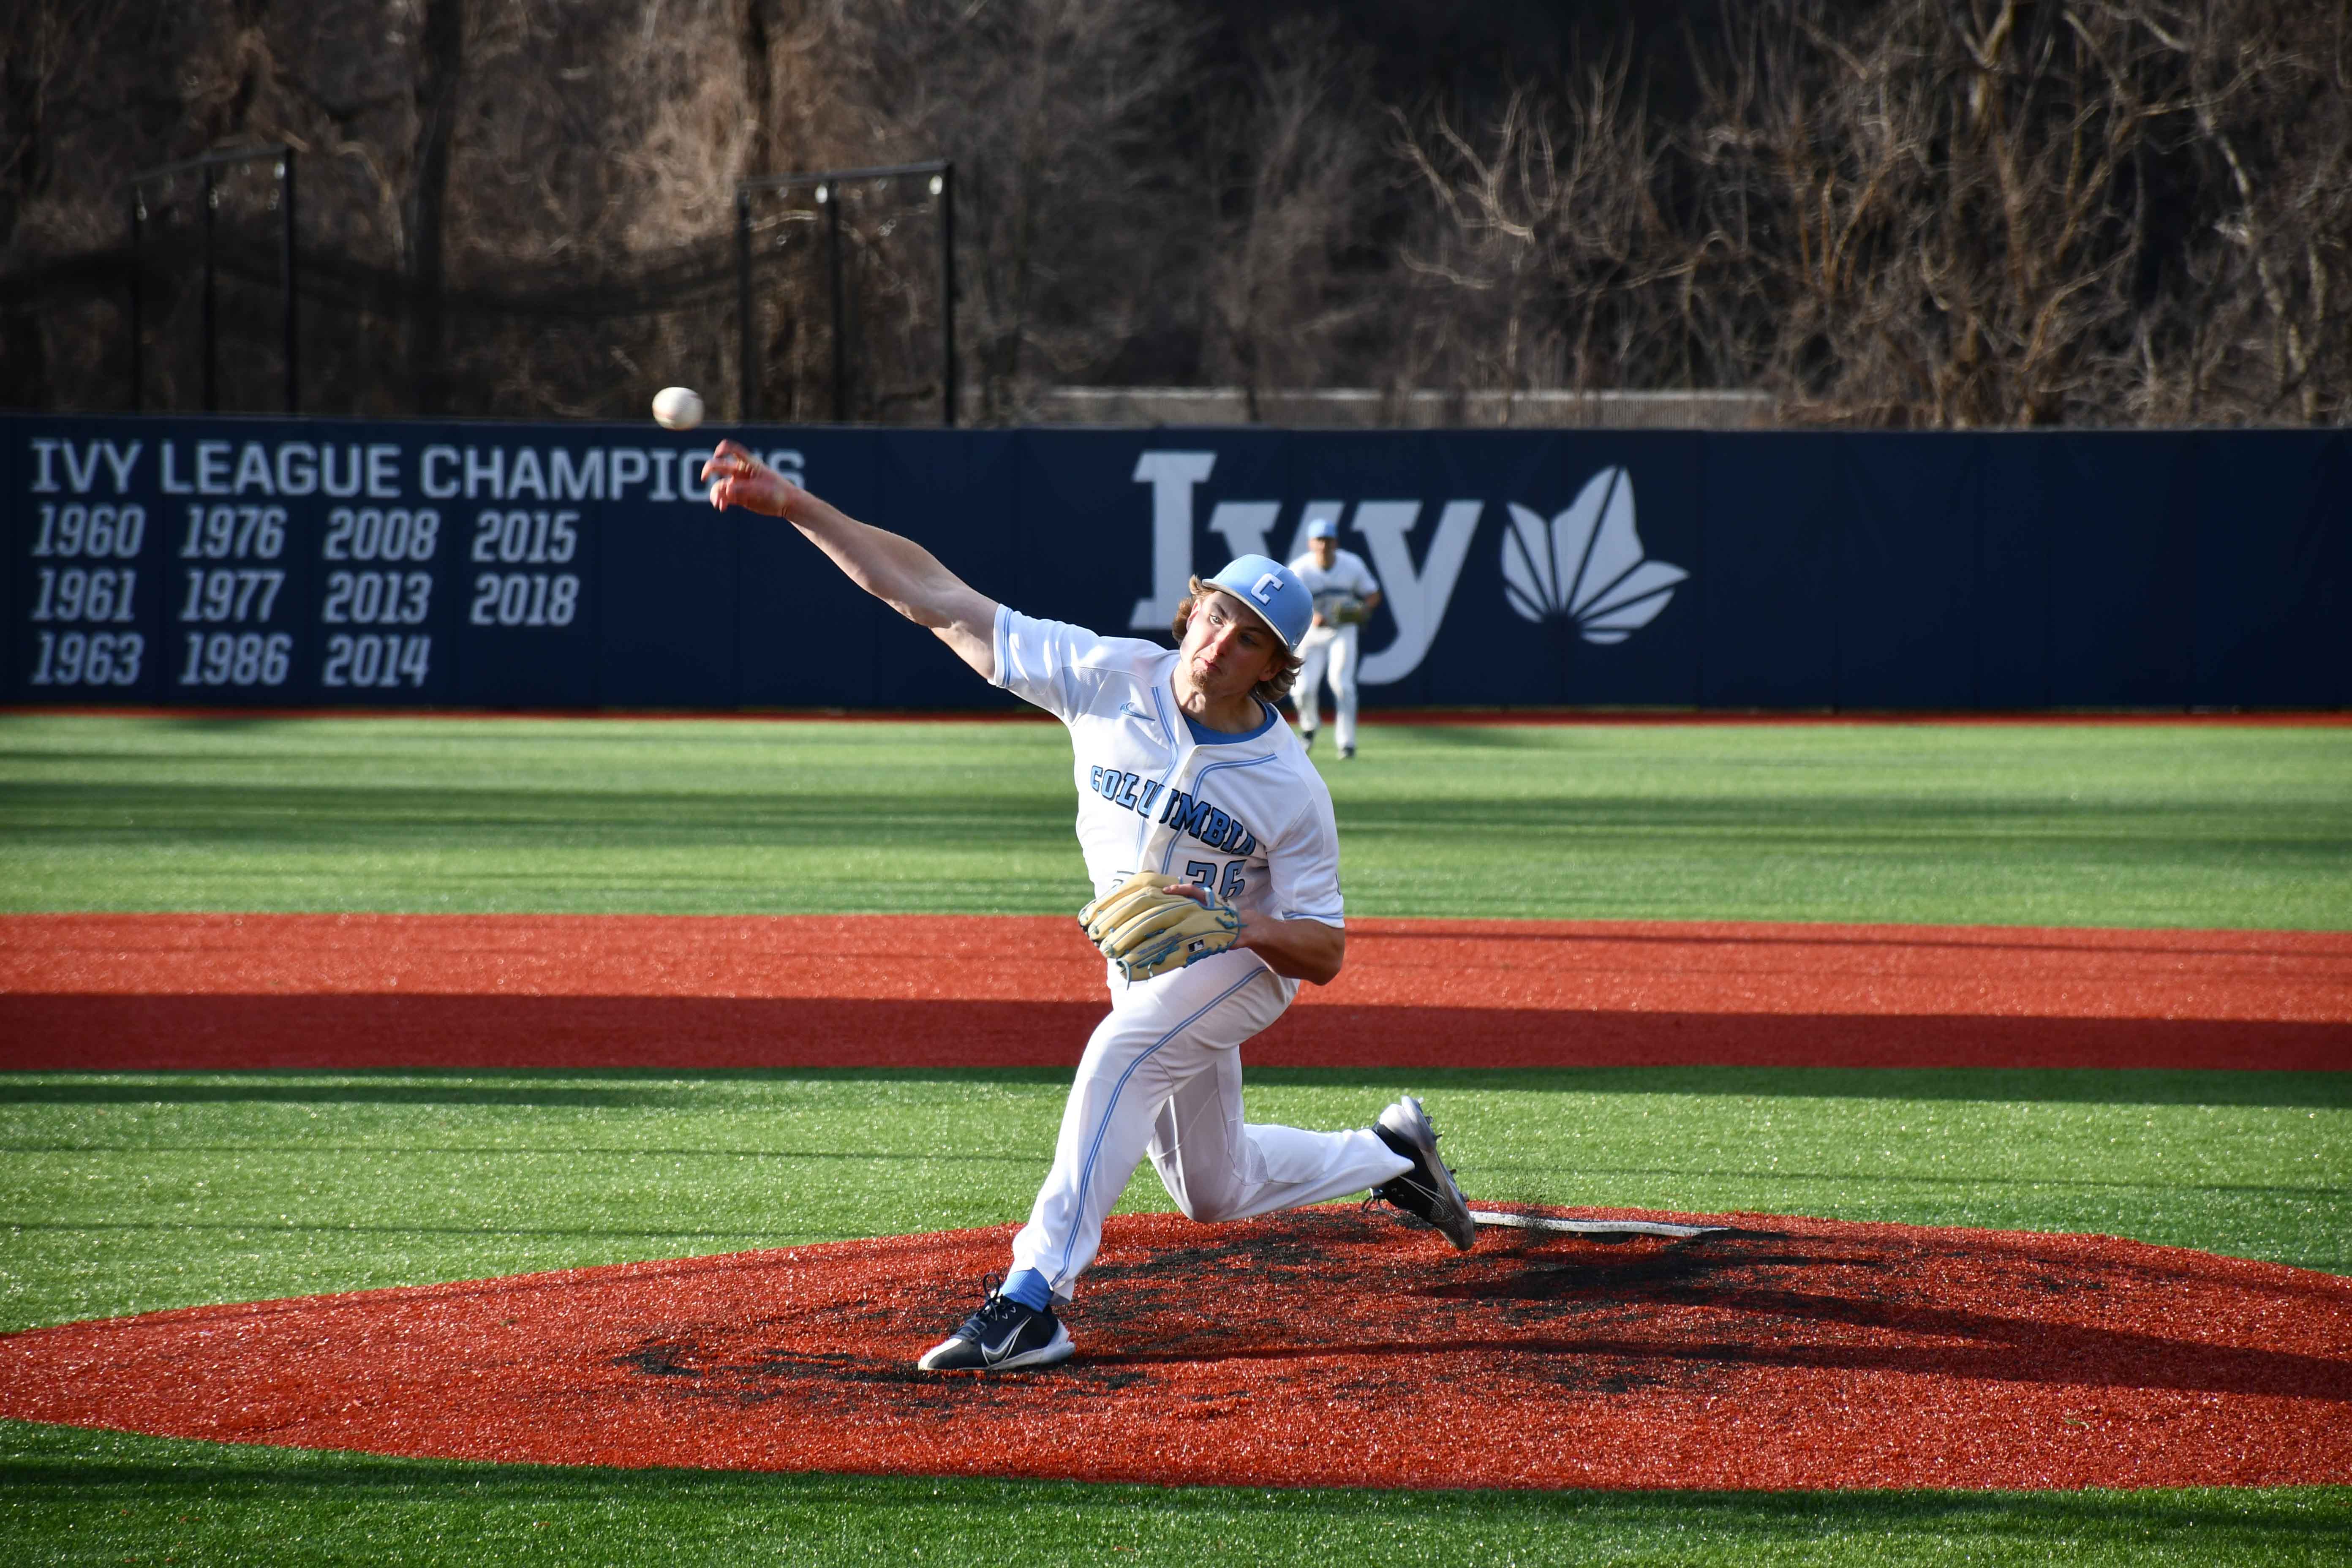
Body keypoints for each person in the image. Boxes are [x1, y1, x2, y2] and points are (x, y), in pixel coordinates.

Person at [700, 441, 1477, 1373]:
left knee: (1121, 1050)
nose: (1219, 644)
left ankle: (1033, 1297)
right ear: (1194, 608)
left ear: (1275, 665)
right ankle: (1392, 1153)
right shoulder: (1107, 675)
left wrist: (1234, 925)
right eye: (1217, 617)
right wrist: (797, 506)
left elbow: (1324, 947)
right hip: (1141, 959)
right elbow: (931, 596)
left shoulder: (1289, 783)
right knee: (1213, 1190)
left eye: (1249, 640)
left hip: (1239, 965)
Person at [1286, 517, 1382, 759]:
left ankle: (1347, 743)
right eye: (1319, 541)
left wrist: (1363, 609)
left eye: (1328, 541)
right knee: (1303, 688)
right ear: (1311, 543)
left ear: (1336, 542)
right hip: (1310, 632)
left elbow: (1373, 594)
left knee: (1342, 685)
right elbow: (1287, 601)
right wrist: (1313, 614)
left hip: (1342, 630)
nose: (1324, 546)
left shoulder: (1352, 565)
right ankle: (1309, 727)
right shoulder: (1300, 568)